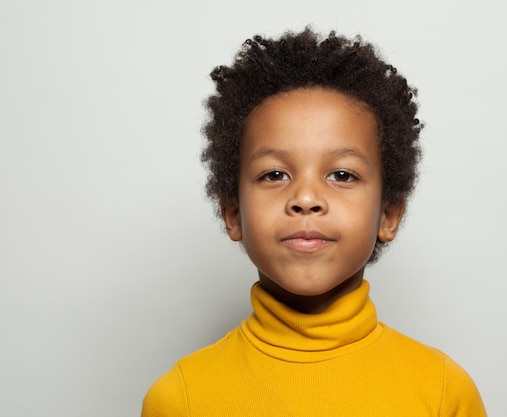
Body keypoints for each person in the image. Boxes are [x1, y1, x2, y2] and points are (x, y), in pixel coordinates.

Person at [141, 28, 487, 416]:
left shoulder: (443, 391)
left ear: (388, 216)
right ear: (233, 214)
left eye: (342, 175)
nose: (305, 199)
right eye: (274, 175)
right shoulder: (181, 399)